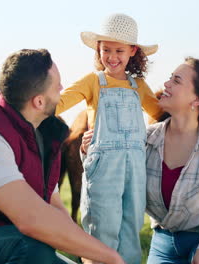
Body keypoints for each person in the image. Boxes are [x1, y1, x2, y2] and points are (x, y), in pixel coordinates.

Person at [0, 49, 126, 264]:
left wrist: (89, 256)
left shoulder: (44, 134)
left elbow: (54, 209)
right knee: (32, 247)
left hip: (11, 246)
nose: (62, 89)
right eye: (57, 86)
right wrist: (112, 258)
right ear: (38, 102)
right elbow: (31, 220)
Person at [83, 57, 199, 264]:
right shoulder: (141, 141)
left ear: (197, 99)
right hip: (165, 244)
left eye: (176, 81)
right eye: (170, 78)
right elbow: (109, 182)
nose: (166, 84)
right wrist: (93, 150)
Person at [55, 13, 163, 264]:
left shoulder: (139, 86)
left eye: (119, 51)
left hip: (135, 168)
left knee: (131, 226)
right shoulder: (93, 81)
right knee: (102, 227)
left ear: (132, 51)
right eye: (106, 50)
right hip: (104, 166)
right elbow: (59, 104)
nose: (112, 57)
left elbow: (159, 115)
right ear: (98, 49)